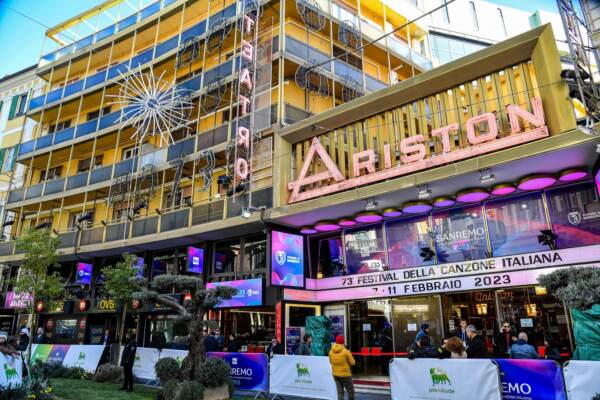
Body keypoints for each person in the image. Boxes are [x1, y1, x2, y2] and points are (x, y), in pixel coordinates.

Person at [329, 336, 355, 400]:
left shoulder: (331, 351)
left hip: (335, 374)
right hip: (345, 374)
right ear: (343, 342)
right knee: (350, 390)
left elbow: (330, 362)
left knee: (340, 391)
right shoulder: (346, 351)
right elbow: (353, 363)